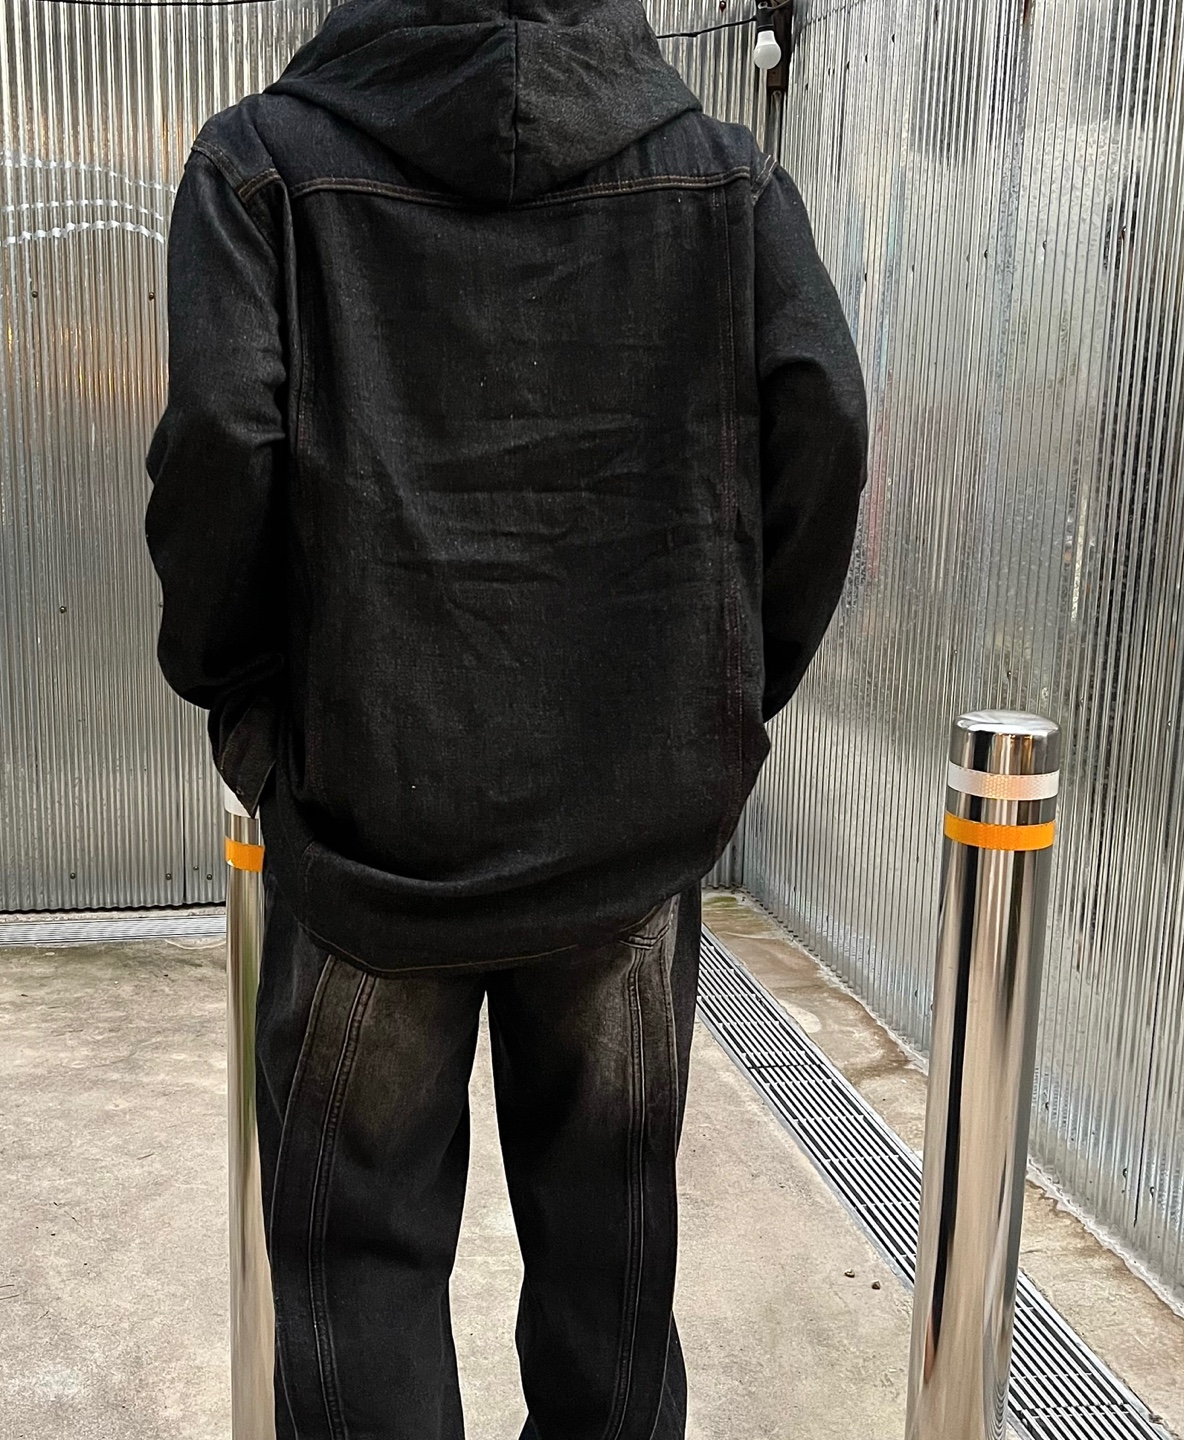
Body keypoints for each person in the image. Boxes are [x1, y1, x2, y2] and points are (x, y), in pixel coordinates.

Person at [145, 0, 868, 1432]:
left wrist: (252, 718)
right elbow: (825, 425)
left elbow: (224, 438)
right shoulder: (727, 183)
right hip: (624, 839)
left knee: (358, 1275)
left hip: (368, 836)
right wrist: (719, 701)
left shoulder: (259, 170)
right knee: (611, 1278)